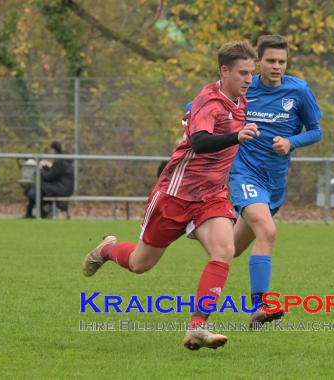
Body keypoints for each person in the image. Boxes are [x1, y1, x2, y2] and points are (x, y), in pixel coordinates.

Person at [81, 41, 259, 350]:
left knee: (223, 250)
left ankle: (197, 328)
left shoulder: (241, 102)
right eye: (243, 73)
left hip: (212, 195)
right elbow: (201, 142)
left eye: (251, 74)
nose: (248, 79)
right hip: (176, 194)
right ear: (224, 70)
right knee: (140, 263)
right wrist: (236, 136)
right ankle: (107, 250)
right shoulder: (208, 101)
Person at [228, 35, 323, 328]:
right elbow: (202, 105)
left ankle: (196, 227)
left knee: (227, 250)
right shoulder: (245, 88)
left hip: (274, 183)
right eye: (271, 61)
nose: (277, 66)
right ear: (259, 62)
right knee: (267, 232)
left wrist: (291, 142)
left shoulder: (298, 90)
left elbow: (316, 130)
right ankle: (259, 307)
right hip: (243, 173)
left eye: (282, 61)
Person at [23, 141, 74, 218]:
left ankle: (36, 212)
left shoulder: (60, 162)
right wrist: (45, 166)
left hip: (61, 189)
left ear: (55, 152)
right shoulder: (63, 162)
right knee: (35, 188)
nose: (51, 154)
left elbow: (48, 177)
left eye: (52, 152)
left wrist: (39, 169)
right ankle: (37, 211)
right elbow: (53, 172)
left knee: (35, 188)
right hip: (64, 188)